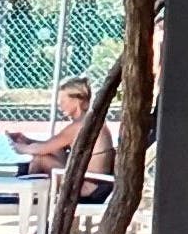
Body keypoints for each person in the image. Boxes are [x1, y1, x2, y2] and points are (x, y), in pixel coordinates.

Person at [8, 76, 115, 204]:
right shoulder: (89, 120)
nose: (60, 105)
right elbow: (53, 146)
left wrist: (21, 148)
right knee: (52, 152)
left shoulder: (80, 126)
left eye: (63, 101)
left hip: (87, 188)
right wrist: (26, 140)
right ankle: (29, 197)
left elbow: (42, 149)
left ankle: (24, 199)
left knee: (40, 159)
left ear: (77, 101)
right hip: (96, 186)